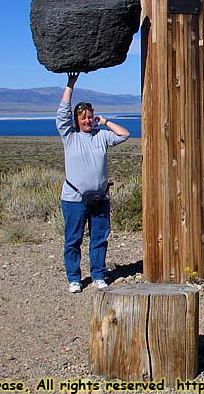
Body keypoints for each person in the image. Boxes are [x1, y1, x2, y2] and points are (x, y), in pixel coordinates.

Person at [57, 72, 130, 293]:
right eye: (83, 117)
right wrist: (71, 84)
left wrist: (105, 122)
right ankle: (74, 278)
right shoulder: (70, 137)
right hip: (74, 199)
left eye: (90, 116)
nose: (87, 120)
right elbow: (61, 114)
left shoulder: (101, 136)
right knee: (73, 239)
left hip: (100, 198)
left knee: (99, 238)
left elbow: (124, 135)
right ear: (76, 120)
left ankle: (98, 274)